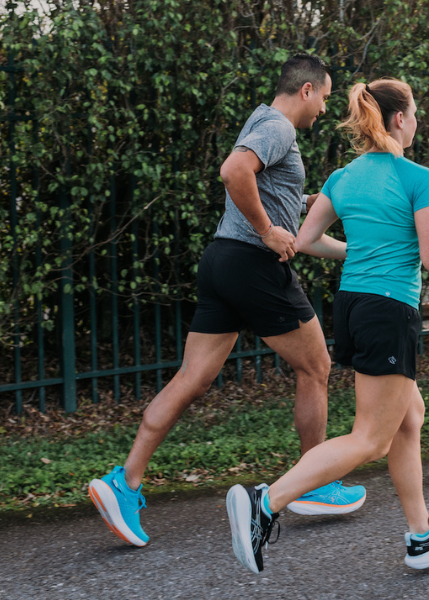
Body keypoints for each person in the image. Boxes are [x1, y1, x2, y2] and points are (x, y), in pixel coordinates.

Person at [88, 54, 367, 548]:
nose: (325, 108)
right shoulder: (279, 126)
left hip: (221, 260)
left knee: (192, 378)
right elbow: (233, 171)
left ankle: (123, 482)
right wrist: (266, 230)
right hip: (252, 264)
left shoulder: (261, 121)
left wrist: (308, 203)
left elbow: (261, 184)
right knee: (317, 367)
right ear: (306, 90)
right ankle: (316, 483)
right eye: (324, 96)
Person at [226, 78, 429, 574]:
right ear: (399, 119)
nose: (417, 121)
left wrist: (359, 249)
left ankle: (421, 535)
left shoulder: (343, 177)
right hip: (388, 309)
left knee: (408, 417)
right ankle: (265, 502)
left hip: (353, 307)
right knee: (370, 438)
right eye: (415, 113)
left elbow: (307, 239)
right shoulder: (419, 177)